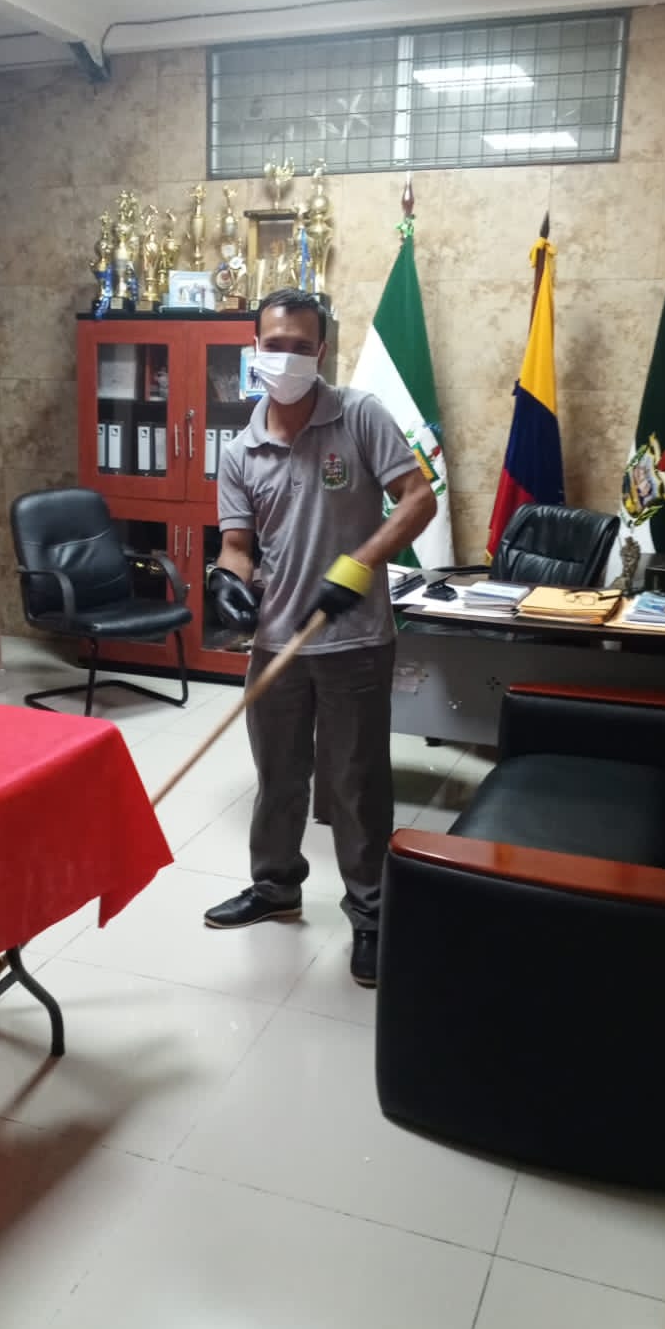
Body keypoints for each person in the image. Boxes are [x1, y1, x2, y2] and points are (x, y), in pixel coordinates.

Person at [204, 287, 437, 986]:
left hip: (354, 641)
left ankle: (371, 914)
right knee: (278, 776)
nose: (286, 358)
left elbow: (419, 498)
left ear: (322, 351)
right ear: (255, 348)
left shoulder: (359, 415)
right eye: (274, 345)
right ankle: (276, 887)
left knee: (355, 784)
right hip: (276, 643)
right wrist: (226, 581)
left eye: (300, 347)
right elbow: (237, 545)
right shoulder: (241, 448)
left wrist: (359, 566)